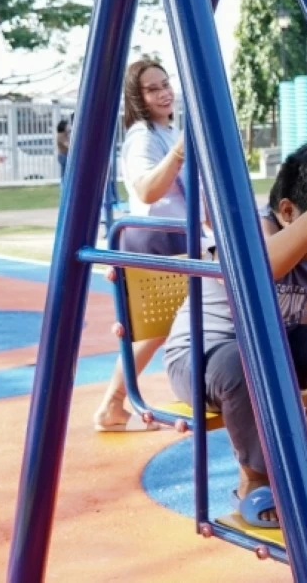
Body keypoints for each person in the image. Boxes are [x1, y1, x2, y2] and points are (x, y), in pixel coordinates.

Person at [161, 144, 307, 528]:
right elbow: (256, 272)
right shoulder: (247, 233)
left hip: (274, 353)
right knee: (240, 359)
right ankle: (256, 479)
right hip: (204, 361)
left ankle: (301, 469)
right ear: (287, 212)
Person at [93, 59, 189, 432]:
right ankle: (112, 403)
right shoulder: (143, 136)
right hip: (156, 240)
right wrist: (178, 154)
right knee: (155, 329)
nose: (164, 92)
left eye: (165, 84)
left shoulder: (165, 130)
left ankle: (114, 404)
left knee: (165, 327)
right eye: (153, 88)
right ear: (137, 96)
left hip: (175, 238)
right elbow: (146, 188)